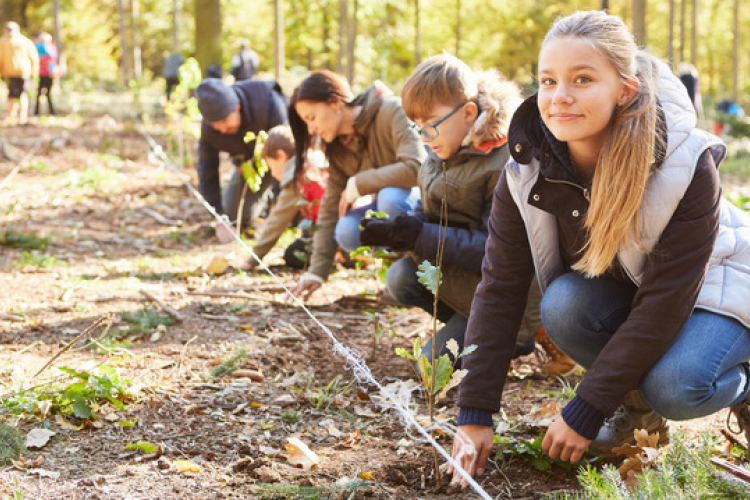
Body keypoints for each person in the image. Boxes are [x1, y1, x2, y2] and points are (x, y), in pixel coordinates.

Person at [449, 10, 750, 486]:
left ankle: (742, 386)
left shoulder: (688, 164)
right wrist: (474, 411)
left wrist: (585, 407)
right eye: (548, 81)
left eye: (582, 79)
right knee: (565, 304)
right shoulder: (525, 170)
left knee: (677, 385)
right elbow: (501, 287)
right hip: (635, 292)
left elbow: (664, 303)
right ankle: (639, 417)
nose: (559, 97)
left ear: (624, 90)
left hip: (720, 287)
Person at [359, 54, 566, 368]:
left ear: (469, 113)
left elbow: (496, 251)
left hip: (508, 295)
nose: (425, 138)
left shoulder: (506, 163)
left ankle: (518, 332)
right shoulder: (442, 146)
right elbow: (432, 210)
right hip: (470, 282)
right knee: (402, 277)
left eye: (432, 126)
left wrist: (420, 236)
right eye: (419, 128)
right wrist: (401, 229)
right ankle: (476, 326)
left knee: (430, 367)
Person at [288, 70, 425, 300]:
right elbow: (330, 207)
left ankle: (417, 266)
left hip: (419, 206)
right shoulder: (339, 148)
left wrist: (360, 182)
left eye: (311, 118)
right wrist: (317, 272)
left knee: (391, 199)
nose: (311, 130)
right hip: (387, 212)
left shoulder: (392, 110)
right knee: (346, 231)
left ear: (334, 102)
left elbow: (417, 167)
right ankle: (394, 274)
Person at [194, 77, 288, 243]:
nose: (222, 129)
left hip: (284, 163)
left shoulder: (268, 103)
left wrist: (276, 211)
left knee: (287, 207)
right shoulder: (209, 129)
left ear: (237, 107)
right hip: (251, 167)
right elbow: (207, 171)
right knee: (234, 217)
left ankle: (290, 211)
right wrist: (218, 215)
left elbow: (288, 154)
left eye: (225, 121)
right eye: (216, 125)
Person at [250, 125, 327, 269]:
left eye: (272, 167)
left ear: (281, 155)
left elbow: (277, 222)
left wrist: (252, 259)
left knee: (292, 254)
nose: (273, 174)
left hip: (329, 230)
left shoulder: (296, 177)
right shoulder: (312, 160)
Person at [0, 22, 39, 124]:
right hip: (17, 72)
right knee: (15, 95)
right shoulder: (24, 41)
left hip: (20, 72)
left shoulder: (5, 41)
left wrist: (34, 72)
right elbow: (33, 58)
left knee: (18, 94)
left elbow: (33, 57)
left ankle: (18, 116)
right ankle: (15, 116)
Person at [34, 32, 58, 115]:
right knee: (39, 93)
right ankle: (36, 111)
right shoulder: (38, 47)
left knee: (48, 93)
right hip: (41, 73)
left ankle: (51, 111)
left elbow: (52, 61)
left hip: (48, 74)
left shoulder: (51, 48)